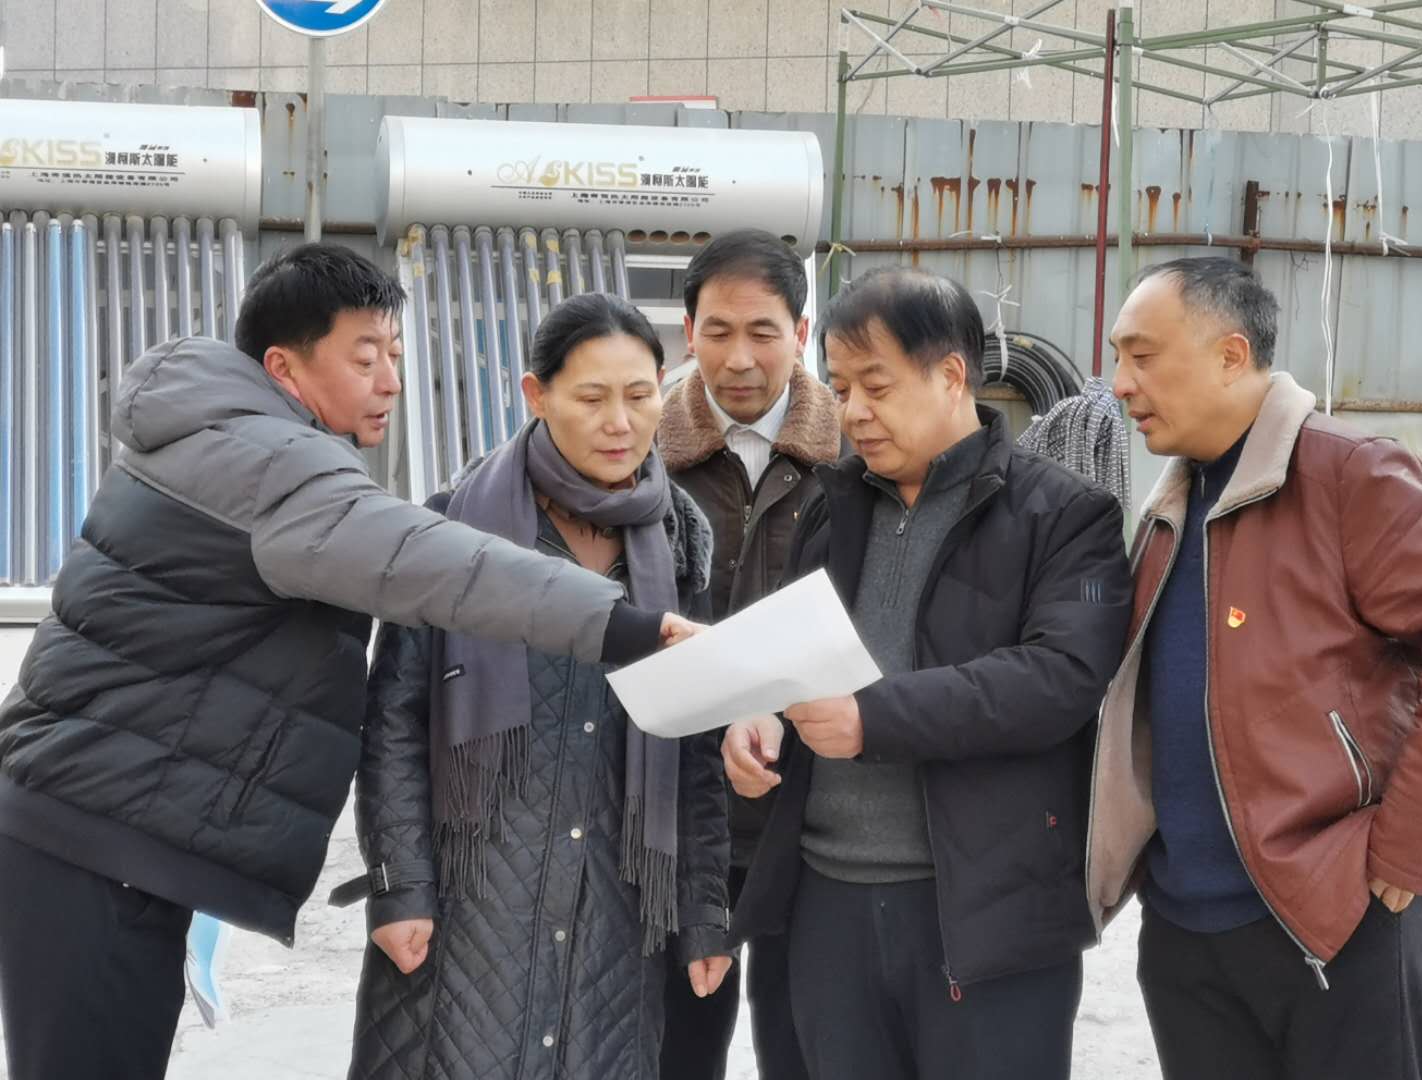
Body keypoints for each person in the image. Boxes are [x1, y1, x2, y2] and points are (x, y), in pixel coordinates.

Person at [0, 244, 696, 1080]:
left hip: (96, 823)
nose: (391, 382)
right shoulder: (276, 469)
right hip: (96, 837)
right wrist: (627, 626)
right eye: (365, 360)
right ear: (284, 368)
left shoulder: (221, 433)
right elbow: (443, 567)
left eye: (395, 355)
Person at [725, 266, 1131, 1080]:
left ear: (950, 375)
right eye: (841, 387)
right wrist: (758, 716)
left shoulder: (1063, 514)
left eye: (876, 386)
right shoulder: (833, 503)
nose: (853, 412)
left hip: (983, 915)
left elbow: (1058, 678)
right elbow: (790, 653)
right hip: (824, 903)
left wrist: (873, 719)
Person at [346, 292, 732, 1080]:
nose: (619, 423)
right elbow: (393, 722)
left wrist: (703, 911)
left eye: (639, 395)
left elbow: (694, 747)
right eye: (591, 398)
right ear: (536, 394)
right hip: (472, 906)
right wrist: (399, 886)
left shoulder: (681, 543)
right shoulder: (452, 530)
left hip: (615, 913)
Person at [1089, 256, 1422, 1080]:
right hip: (1185, 933)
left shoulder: (1349, 474)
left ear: (1231, 355)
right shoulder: (1173, 504)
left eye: (1144, 356)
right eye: (1118, 358)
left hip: (1335, 918)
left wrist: (1407, 848)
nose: (1120, 384)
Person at [657, 228, 840, 1080]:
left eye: (763, 332)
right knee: (677, 1043)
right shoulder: (638, 454)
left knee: (804, 1043)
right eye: (718, 332)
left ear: (800, 334)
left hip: (816, 806)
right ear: (687, 331)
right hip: (677, 810)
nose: (738, 358)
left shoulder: (855, 453)